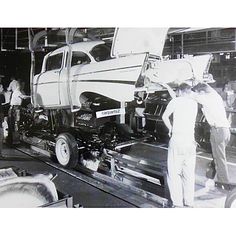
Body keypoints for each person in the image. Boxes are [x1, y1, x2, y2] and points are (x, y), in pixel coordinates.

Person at [162, 83, 198, 207]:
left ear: (180, 92)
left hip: (177, 140)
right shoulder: (194, 103)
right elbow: (179, 98)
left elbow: (164, 116)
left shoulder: (175, 102)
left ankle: (177, 203)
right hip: (190, 142)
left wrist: (171, 128)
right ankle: (189, 202)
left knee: (173, 173)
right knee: (188, 174)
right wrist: (166, 86)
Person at [193, 83, 231, 184]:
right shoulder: (215, 95)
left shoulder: (207, 99)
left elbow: (191, 95)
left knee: (219, 158)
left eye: (198, 93)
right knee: (217, 157)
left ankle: (224, 183)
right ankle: (211, 177)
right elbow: (205, 87)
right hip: (224, 130)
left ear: (202, 92)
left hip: (218, 130)